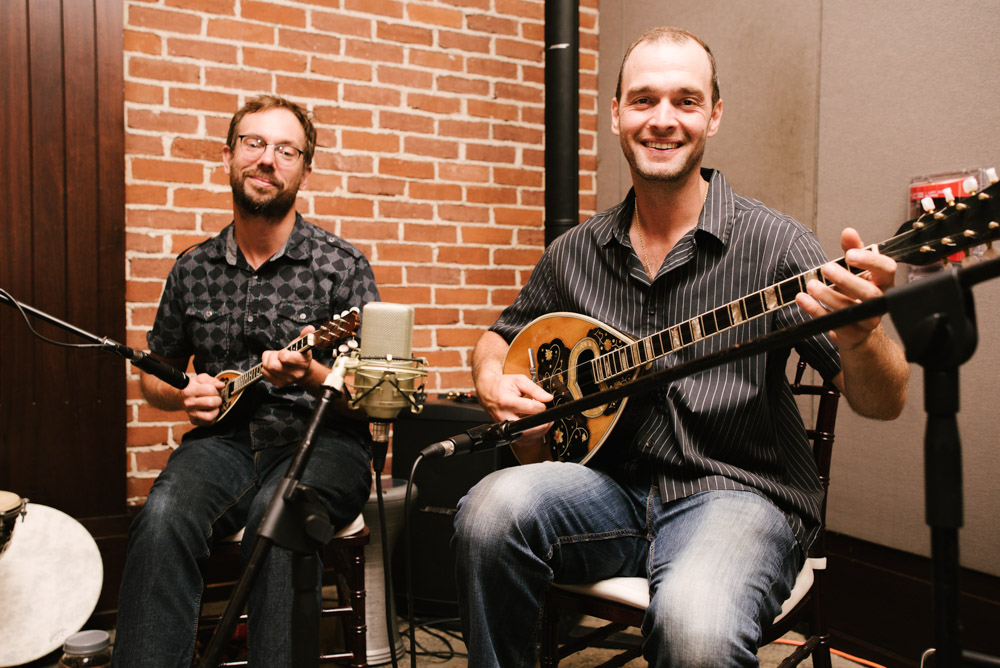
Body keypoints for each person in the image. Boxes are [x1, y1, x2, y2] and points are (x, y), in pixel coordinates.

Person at [453, 27, 910, 667]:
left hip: (738, 495)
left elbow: (884, 400)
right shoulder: (574, 253)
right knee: (488, 511)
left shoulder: (777, 245)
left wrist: (864, 337)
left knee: (694, 628)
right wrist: (491, 378)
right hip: (604, 489)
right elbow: (499, 336)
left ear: (713, 116)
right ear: (616, 114)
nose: (663, 119)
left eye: (686, 101)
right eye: (643, 100)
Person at [112, 95, 379, 667]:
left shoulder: (342, 267)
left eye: (286, 150)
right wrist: (183, 392)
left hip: (323, 442)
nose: (267, 159)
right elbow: (155, 377)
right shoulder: (192, 269)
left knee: (274, 521)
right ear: (228, 155)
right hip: (223, 445)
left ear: (305, 169)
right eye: (254, 143)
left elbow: (376, 400)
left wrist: (313, 373)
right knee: (160, 519)